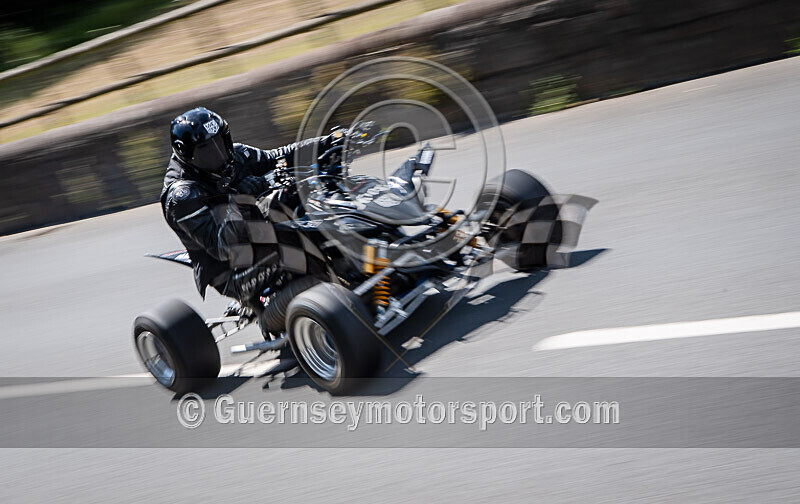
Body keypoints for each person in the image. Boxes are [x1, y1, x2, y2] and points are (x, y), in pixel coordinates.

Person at [161, 106, 338, 303]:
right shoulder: (182, 196)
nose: (219, 154)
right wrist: (240, 202)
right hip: (230, 270)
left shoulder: (238, 155)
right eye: (207, 150)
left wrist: (330, 142)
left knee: (303, 200)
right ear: (186, 154)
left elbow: (279, 156)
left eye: (221, 142)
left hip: (259, 234)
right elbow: (221, 248)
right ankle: (320, 300)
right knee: (298, 245)